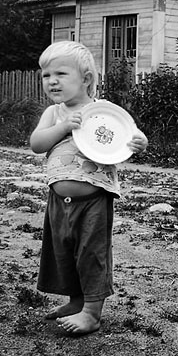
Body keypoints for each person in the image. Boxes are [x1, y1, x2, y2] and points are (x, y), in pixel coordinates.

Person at [30, 41, 147, 335]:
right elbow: (36, 144)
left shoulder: (102, 112)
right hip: (58, 199)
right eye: (46, 75)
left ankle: (92, 313)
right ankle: (76, 301)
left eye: (61, 73)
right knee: (64, 253)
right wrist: (63, 126)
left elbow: (127, 131)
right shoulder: (54, 114)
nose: (52, 80)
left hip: (94, 198)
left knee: (91, 254)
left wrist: (139, 141)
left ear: (85, 79)